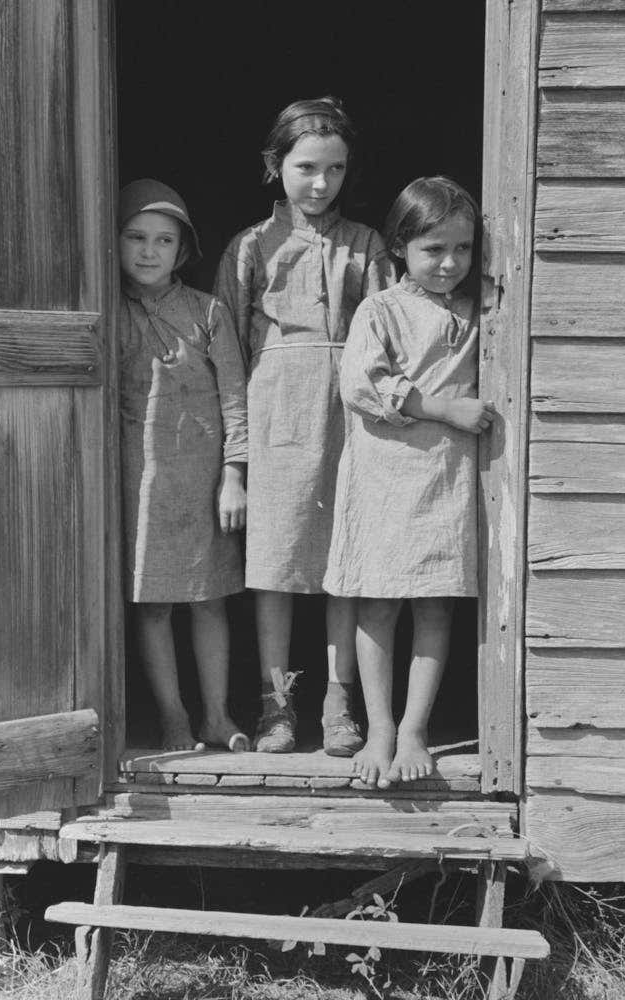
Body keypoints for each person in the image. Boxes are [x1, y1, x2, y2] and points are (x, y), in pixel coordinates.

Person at [215, 98, 396, 755]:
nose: (321, 183)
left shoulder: (367, 246)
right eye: (306, 168)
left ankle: (338, 701)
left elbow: (386, 339)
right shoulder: (248, 249)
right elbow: (228, 357)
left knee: (341, 566)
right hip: (274, 427)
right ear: (275, 165)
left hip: (348, 426)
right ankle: (277, 705)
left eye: (336, 169)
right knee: (277, 566)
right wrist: (235, 459)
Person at [323, 176, 495, 788]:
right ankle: (380, 729)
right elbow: (361, 385)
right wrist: (445, 408)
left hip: (446, 481)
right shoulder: (382, 310)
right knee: (377, 603)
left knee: (435, 604)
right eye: (433, 250)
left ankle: (417, 727)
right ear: (400, 246)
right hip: (386, 479)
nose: (450, 263)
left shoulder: (482, 312)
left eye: (464, 249)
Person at [119, 178, 250, 752]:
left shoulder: (208, 312)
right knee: (151, 605)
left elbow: (235, 400)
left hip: (202, 479)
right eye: (136, 237)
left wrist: (235, 474)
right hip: (136, 481)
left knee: (209, 599)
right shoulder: (106, 311)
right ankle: (172, 717)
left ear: (183, 248)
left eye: (164, 240)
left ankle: (216, 715)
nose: (149, 251)